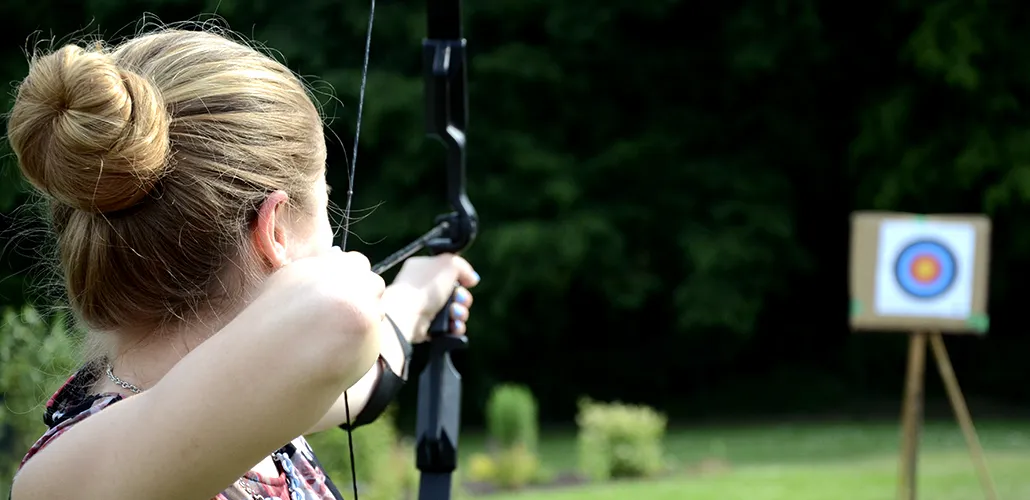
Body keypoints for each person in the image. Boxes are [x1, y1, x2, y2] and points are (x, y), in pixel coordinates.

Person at [6, 25, 480, 500]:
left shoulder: (241, 418)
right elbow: (341, 315)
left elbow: (362, 379)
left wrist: (418, 296)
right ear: (274, 230)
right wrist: (358, 288)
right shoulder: (64, 483)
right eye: (325, 200)